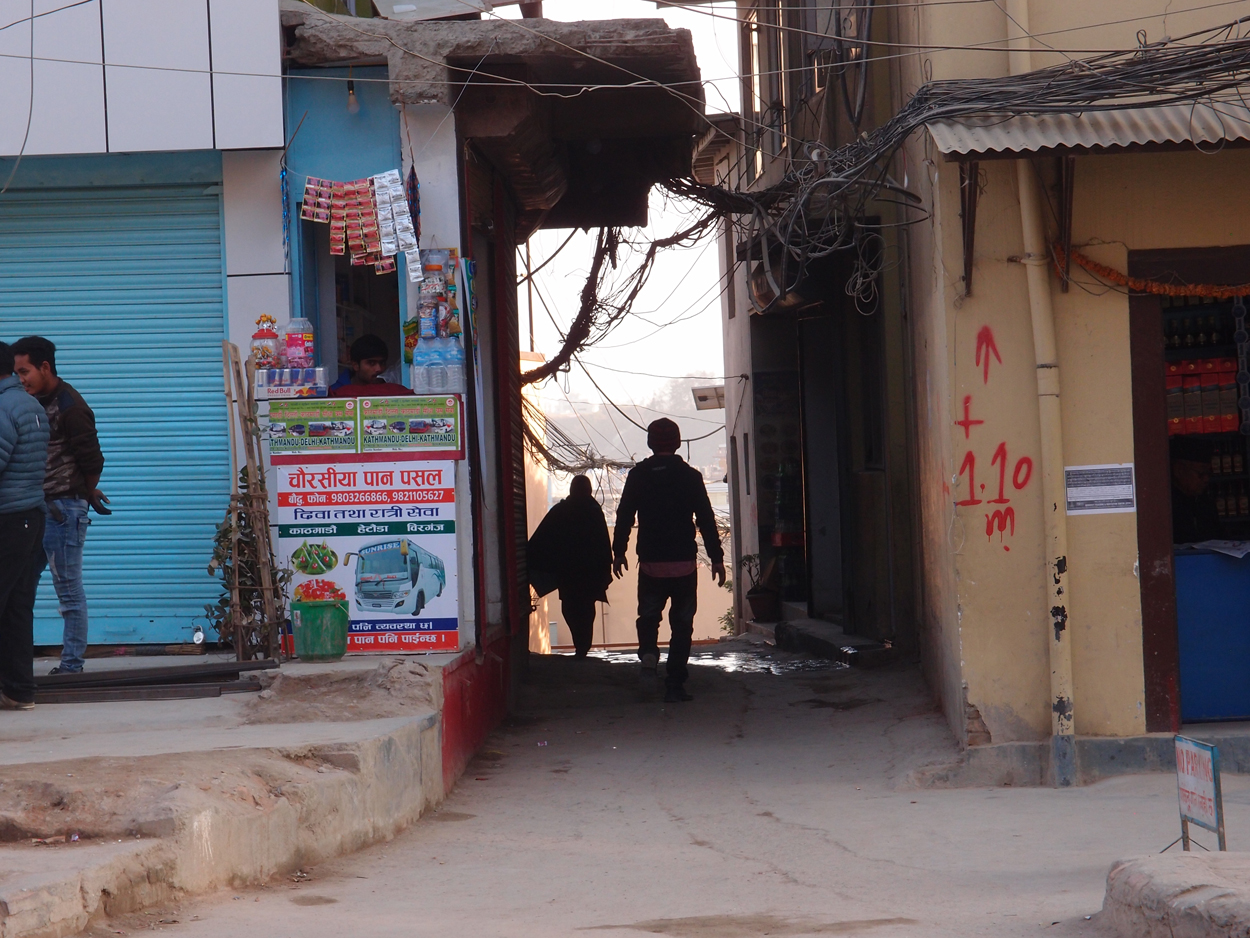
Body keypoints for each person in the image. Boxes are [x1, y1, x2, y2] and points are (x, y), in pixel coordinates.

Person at [12, 336, 108, 675]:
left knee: (68, 591)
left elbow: (93, 459)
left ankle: (71, 667)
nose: (20, 379)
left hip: (63, 511)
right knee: (20, 586)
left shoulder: (70, 406)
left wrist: (84, 492)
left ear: (45, 367)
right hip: (38, 510)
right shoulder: (35, 401)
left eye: (25, 371)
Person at [613, 418, 725, 703]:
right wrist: (716, 557)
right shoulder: (690, 476)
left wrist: (618, 552)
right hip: (684, 564)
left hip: (651, 561)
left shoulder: (639, 475)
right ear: (677, 443)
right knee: (682, 624)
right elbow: (706, 520)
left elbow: (625, 515)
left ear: (650, 443)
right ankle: (675, 684)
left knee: (649, 616)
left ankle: (649, 654)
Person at [0, 341, 50, 709]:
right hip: (30, 518)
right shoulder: (30, 404)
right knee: (17, 607)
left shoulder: (3, 407)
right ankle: (19, 691)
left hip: (7, 520)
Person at [527, 475, 613, 658]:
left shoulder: (563, 510)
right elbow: (603, 543)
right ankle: (582, 646)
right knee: (585, 609)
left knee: (572, 608)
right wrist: (606, 568)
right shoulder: (592, 510)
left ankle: (581, 646)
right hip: (586, 573)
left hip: (569, 573)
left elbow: (540, 539)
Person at [330, 335, 414, 398]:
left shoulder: (392, 391)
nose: (379, 369)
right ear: (355, 365)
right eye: (371, 363)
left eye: (382, 363)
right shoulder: (335, 393)